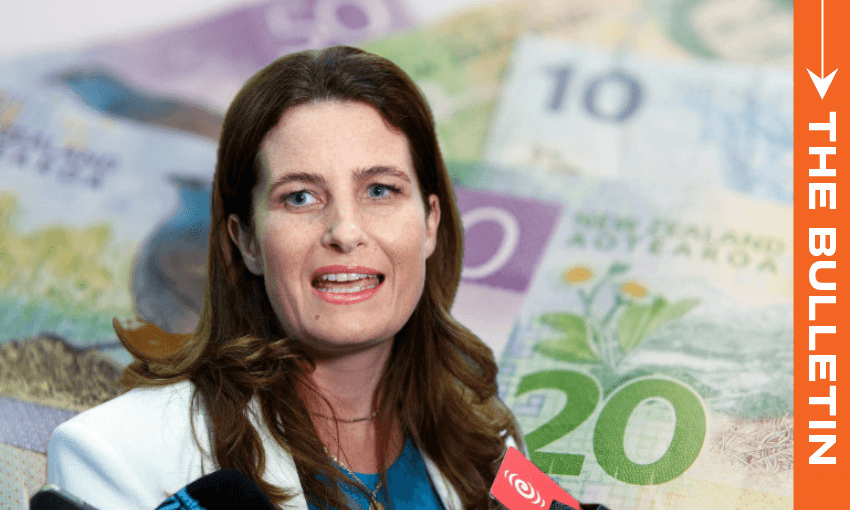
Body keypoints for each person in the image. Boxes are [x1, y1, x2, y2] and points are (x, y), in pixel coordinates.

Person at [46, 46, 524, 510]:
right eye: (300, 197)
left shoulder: (484, 438)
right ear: (247, 240)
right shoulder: (114, 457)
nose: (345, 232)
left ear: (430, 223)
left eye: (380, 190)